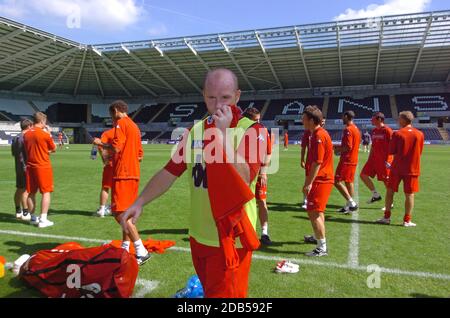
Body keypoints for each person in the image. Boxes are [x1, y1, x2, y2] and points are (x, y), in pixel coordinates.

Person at [120, 68, 267, 298]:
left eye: (226, 97)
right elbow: (170, 171)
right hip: (199, 236)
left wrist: (223, 136)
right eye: (211, 97)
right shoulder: (195, 130)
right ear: (203, 95)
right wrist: (140, 202)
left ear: (237, 96)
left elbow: (245, 176)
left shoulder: (253, 130)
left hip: (231, 241)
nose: (218, 104)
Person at [93, 101, 149, 265]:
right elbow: (140, 155)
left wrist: (100, 144)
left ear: (116, 111)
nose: (111, 118)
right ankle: (125, 246)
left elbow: (116, 148)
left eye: (111, 115)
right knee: (127, 212)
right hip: (133, 173)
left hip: (123, 174)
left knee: (120, 213)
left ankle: (140, 250)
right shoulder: (134, 126)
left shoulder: (121, 123)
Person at [376, 111, 424, 227]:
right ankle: (407, 220)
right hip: (413, 168)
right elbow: (420, 151)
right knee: (410, 194)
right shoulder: (420, 134)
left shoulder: (397, 134)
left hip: (397, 168)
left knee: (390, 192)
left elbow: (392, 151)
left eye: (399, 118)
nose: (397, 121)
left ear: (403, 120)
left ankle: (386, 217)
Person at [302, 106, 334, 257]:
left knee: (313, 212)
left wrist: (308, 183)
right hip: (322, 178)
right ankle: (318, 238)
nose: (302, 121)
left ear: (311, 120)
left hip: (321, 179)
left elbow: (317, 162)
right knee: (317, 211)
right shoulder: (316, 134)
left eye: (304, 118)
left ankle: (322, 247)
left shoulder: (318, 135)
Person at [243, 107, 273, 246]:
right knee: (243, 202)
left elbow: (268, 152)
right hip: (243, 174)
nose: (259, 122)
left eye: (259, 119)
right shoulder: (240, 131)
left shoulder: (262, 130)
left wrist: (264, 172)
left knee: (261, 201)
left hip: (258, 174)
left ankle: (265, 233)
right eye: (256, 120)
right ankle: (246, 232)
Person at [23, 112, 56, 228]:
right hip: (43, 166)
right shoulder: (44, 134)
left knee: (31, 193)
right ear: (42, 121)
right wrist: (49, 134)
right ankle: (43, 219)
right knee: (46, 192)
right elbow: (53, 148)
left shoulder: (26, 134)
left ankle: (33, 218)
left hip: (30, 166)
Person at [360, 112, 393, 205]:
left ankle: (390, 203)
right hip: (373, 159)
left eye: (373, 118)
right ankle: (375, 195)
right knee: (363, 175)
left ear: (379, 119)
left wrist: (389, 160)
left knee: (386, 181)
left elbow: (393, 146)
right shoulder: (374, 131)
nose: (371, 120)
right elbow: (373, 146)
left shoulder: (387, 130)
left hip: (384, 161)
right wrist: (369, 159)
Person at [333, 111, 361, 214]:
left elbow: (348, 147)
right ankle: (348, 206)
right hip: (353, 159)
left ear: (346, 116)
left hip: (347, 160)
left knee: (336, 181)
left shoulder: (348, 129)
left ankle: (351, 203)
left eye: (342, 117)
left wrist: (337, 149)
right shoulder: (356, 129)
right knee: (349, 182)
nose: (341, 119)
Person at [11, 119, 33, 220]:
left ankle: (18, 211)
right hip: (26, 166)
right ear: (29, 126)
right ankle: (25, 212)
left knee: (19, 188)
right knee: (26, 190)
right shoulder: (26, 137)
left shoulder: (15, 137)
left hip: (18, 166)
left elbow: (13, 153)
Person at [95, 128, 115, 217]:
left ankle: (102, 210)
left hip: (110, 164)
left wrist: (105, 160)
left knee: (106, 187)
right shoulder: (127, 131)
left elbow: (100, 146)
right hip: (124, 164)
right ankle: (117, 208)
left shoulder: (108, 133)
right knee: (119, 187)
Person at [300, 129, 311, 209]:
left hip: (321, 163)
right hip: (310, 162)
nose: (322, 123)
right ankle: (306, 200)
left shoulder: (323, 132)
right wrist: (302, 160)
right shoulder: (307, 132)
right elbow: (303, 147)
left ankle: (310, 201)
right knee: (308, 182)